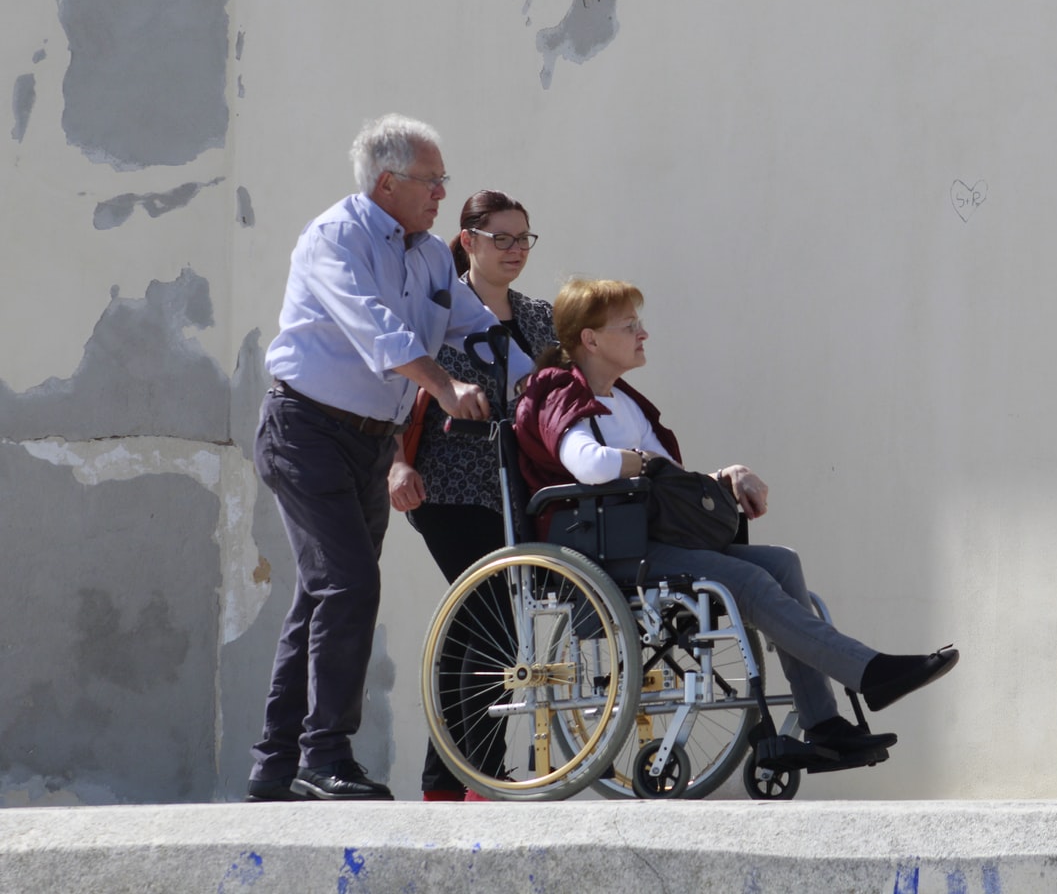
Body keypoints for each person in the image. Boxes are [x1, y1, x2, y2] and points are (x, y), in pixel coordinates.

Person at [514, 277, 959, 762]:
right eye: (630, 325)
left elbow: (670, 481)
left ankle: (825, 724)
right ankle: (869, 672)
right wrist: (643, 462)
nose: (644, 334)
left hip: (651, 538)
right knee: (746, 579)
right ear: (591, 339)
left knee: (782, 563)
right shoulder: (556, 389)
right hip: (606, 550)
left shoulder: (625, 402)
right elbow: (591, 465)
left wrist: (726, 475)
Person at [246, 114, 499, 802]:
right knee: (348, 585)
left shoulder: (429, 254)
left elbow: (472, 325)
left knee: (322, 594)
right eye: (433, 181)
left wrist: (559, 364)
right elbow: (376, 330)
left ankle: (274, 764)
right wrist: (444, 388)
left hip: (368, 442)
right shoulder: (336, 236)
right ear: (388, 183)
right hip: (306, 430)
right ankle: (324, 757)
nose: (443, 193)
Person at [387, 190, 556, 801]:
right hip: (450, 485)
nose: (515, 251)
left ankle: (454, 780)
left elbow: (561, 401)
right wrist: (397, 465)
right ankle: (472, 779)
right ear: (470, 240)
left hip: (518, 488)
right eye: (502, 239)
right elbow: (396, 395)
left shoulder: (539, 318)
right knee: (493, 620)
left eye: (524, 239)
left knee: (485, 626)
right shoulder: (437, 312)